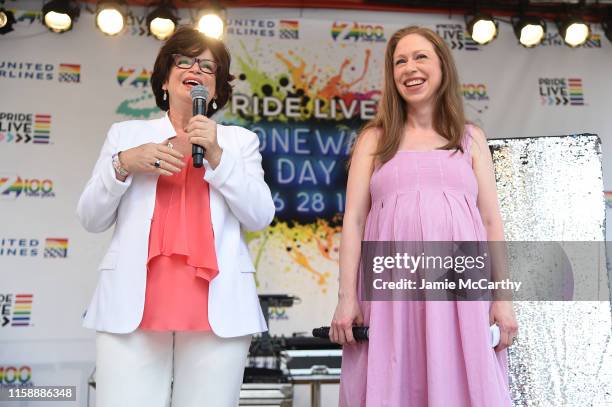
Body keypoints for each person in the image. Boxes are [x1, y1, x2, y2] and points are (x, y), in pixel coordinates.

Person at [76, 26, 275, 407]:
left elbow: (259, 215)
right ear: (165, 79)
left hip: (219, 306)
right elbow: (90, 217)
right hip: (132, 303)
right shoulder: (126, 134)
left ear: (216, 91)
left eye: (208, 66)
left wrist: (217, 156)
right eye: (184, 61)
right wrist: (123, 164)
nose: (195, 69)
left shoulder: (237, 142)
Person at [330, 26, 518, 406]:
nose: (409, 68)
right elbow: (353, 222)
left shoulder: (470, 138)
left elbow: (490, 222)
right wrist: (347, 298)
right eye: (400, 61)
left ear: (442, 67)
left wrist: (503, 297)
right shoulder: (373, 140)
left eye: (420, 57)